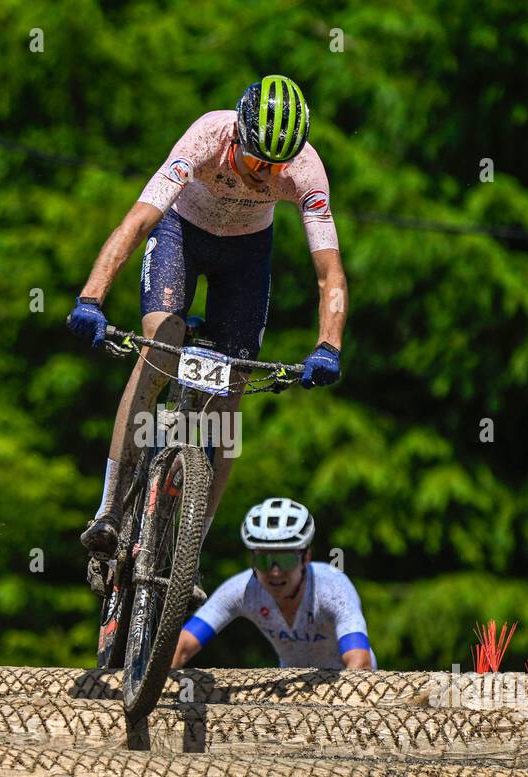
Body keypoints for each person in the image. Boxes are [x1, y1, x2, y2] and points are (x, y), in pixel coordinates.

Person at [66, 75, 347, 557]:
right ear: (237, 134)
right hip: (182, 235)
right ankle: (108, 509)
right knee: (162, 345)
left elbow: (329, 273)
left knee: (232, 387)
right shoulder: (206, 136)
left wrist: (328, 345)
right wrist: (91, 298)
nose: (266, 173)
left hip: (246, 255)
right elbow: (138, 222)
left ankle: (189, 550)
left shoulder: (304, 168)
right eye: (258, 158)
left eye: (278, 164)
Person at [171, 497, 374, 670]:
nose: (275, 571)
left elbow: (360, 661)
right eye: (264, 561)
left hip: (348, 685)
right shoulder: (242, 590)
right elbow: (183, 646)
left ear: (305, 558)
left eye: (285, 560)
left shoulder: (333, 587)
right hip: (292, 690)